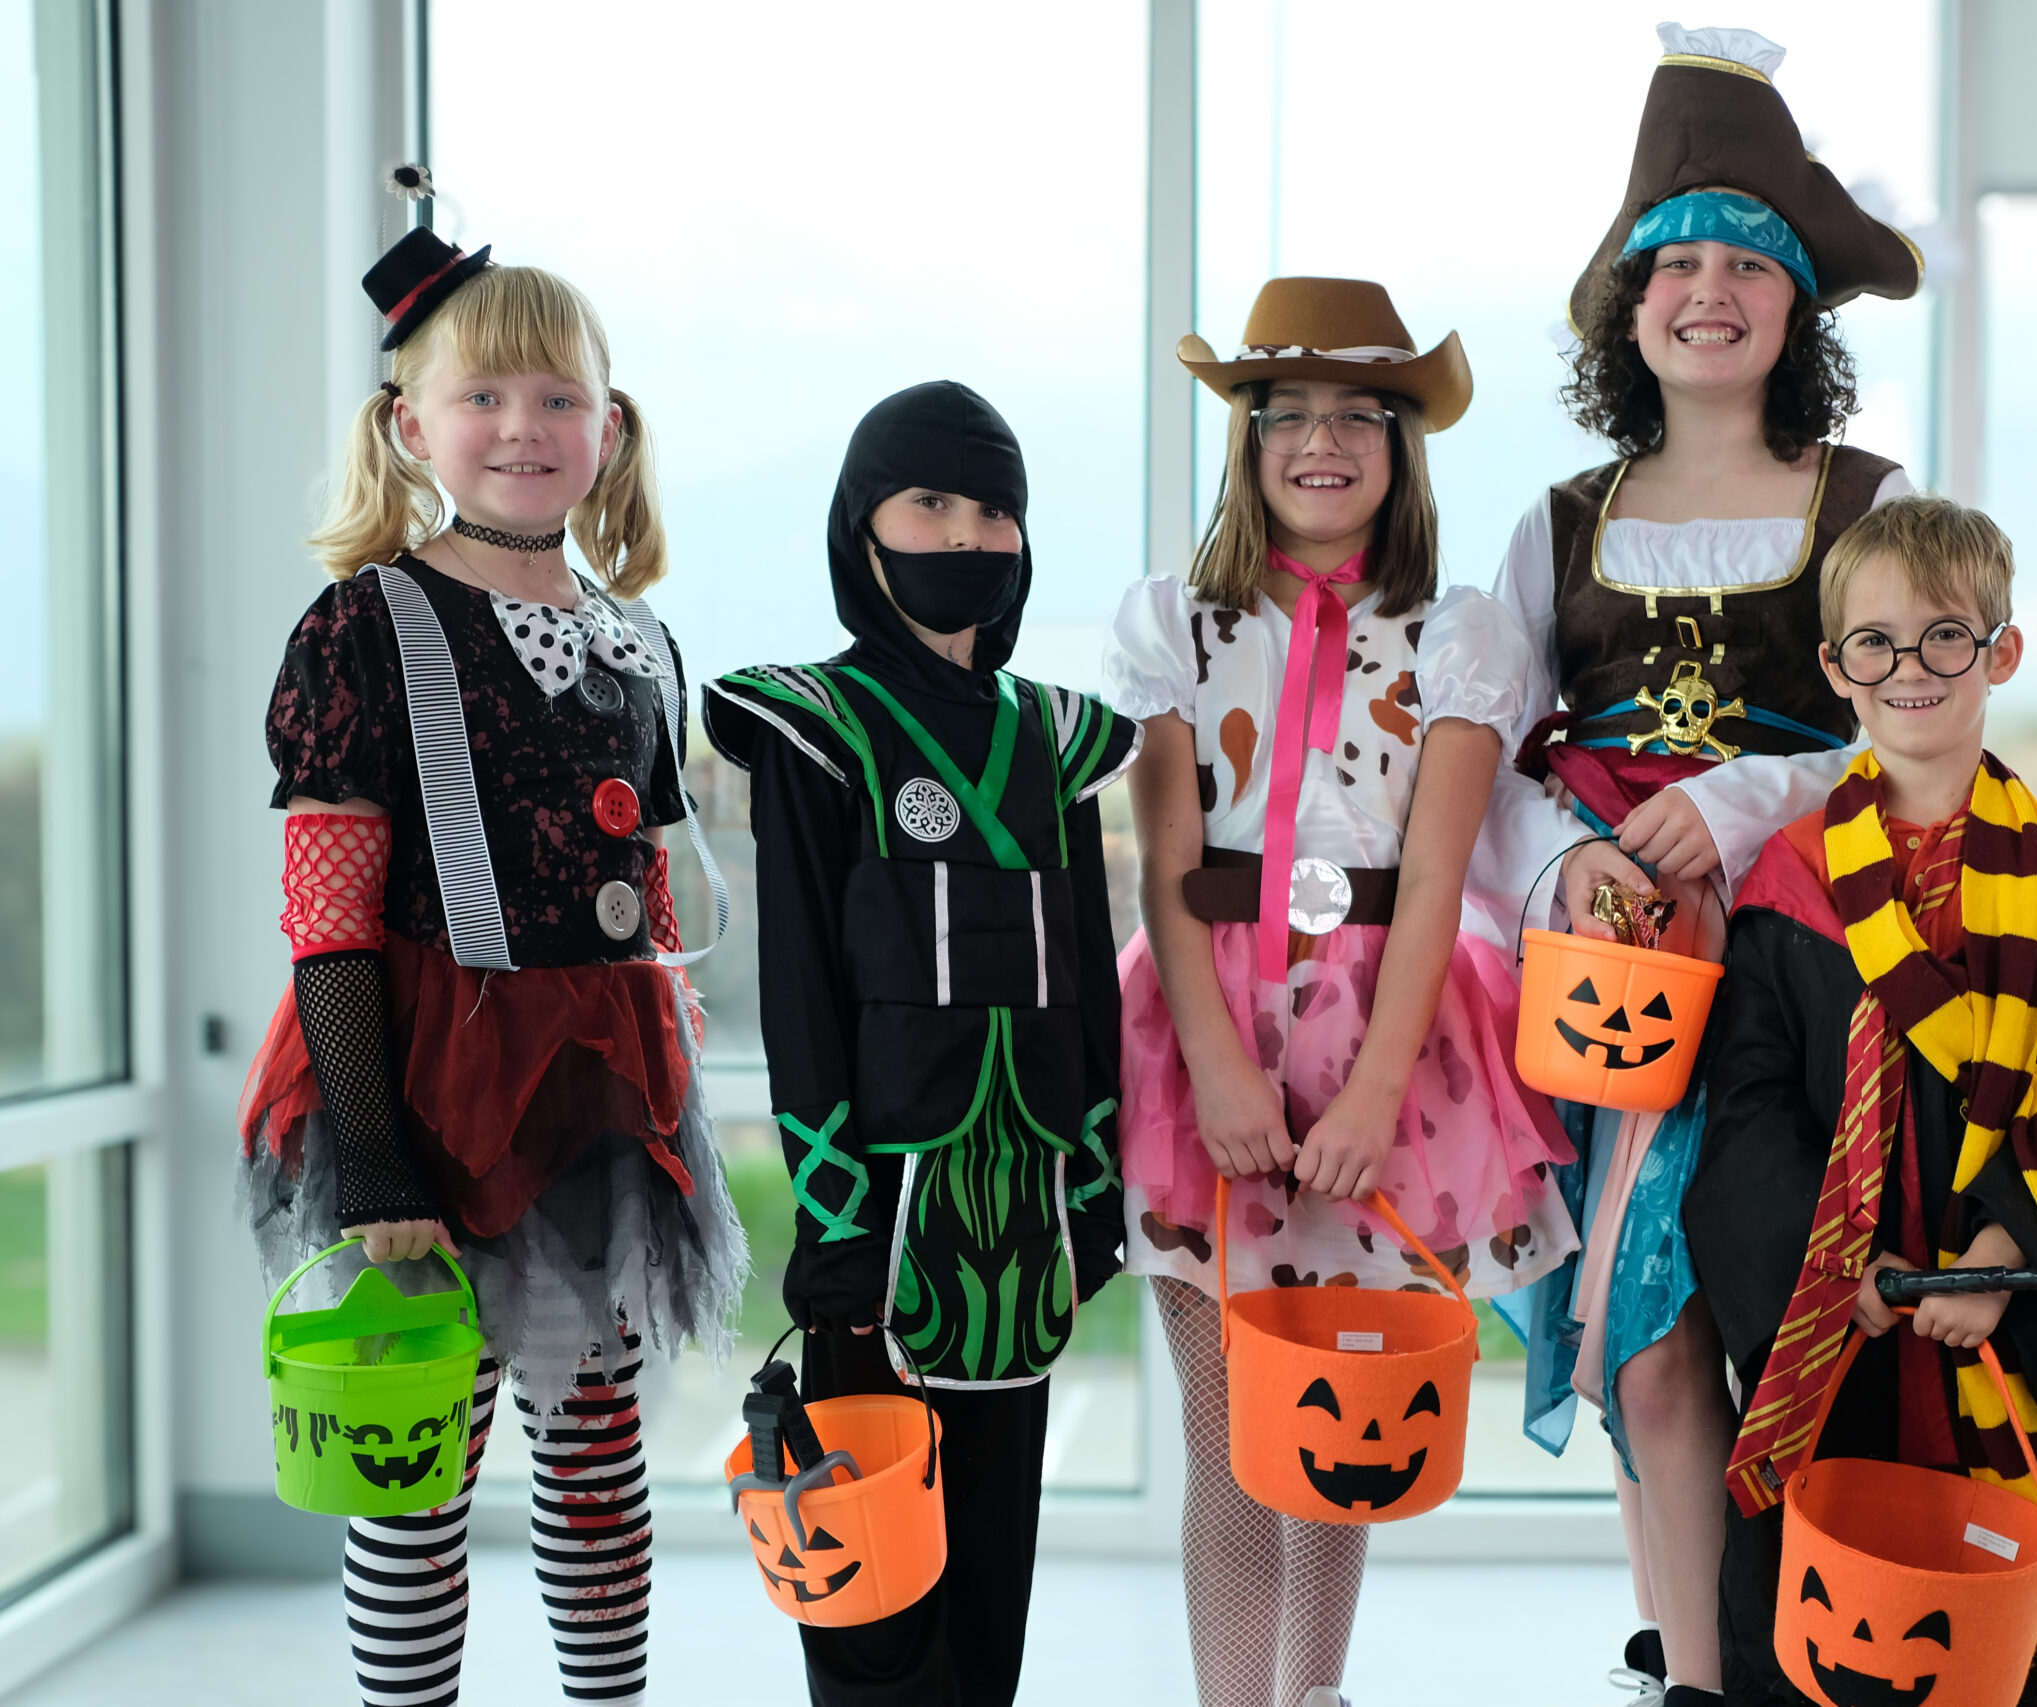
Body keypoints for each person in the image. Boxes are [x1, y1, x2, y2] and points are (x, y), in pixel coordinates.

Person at [1475, 25, 1926, 1706]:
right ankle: (1694, 1674)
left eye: (1750, 261)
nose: (1710, 292)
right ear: (1629, 303)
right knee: (1642, 1345)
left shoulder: (1872, 506)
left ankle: (1794, 1649)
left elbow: (1913, 739)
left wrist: (1742, 804)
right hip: (1611, 998)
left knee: (1786, 1326)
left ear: (1800, 307)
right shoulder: (1557, 523)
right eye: (1679, 262)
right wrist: (1569, 866)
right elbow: (1488, 761)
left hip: (1812, 992)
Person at [237, 217, 746, 1707]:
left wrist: (670, 1080)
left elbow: (646, 894)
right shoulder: (362, 626)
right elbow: (329, 912)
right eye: (484, 396)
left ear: (610, 423)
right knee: (413, 1475)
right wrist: (380, 1162)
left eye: (558, 397)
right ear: (411, 425)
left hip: (595, 1094)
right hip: (419, 1080)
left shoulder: (637, 639)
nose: (523, 427)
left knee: (597, 1477)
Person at [1108, 278, 1578, 1707]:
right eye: (1286, 415)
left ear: (1401, 441)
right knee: (1230, 1421)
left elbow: (1438, 876)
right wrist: (1218, 1069)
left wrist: (1375, 1089)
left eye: (1355, 416)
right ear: (1246, 443)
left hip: (1395, 1035)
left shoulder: (1459, 634)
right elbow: (1169, 862)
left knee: (1345, 1399)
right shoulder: (1173, 625)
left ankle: (1319, 1691)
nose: (1322, 442)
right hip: (1209, 1021)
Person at [702, 380, 1137, 1707]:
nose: (964, 532)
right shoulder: (815, 727)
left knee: (991, 1571)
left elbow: (1086, 990)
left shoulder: (1054, 739)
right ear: (862, 527)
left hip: (1019, 1230)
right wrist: (830, 1218)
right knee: (874, 1586)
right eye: (929, 502)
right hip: (878, 1232)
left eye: (992, 508)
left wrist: (1094, 1181)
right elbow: (801, 997)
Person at [1689, 495, 2037, 1706]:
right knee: (1824, 1620)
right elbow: (1748, 1111)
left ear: (1999, 652)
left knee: (2001, 1627)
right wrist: (1828, 1263)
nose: (1911, 669)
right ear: (1834, 669)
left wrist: (2008, 1251)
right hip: (1842, 1318)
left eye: (1945, 637)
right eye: (1876, 644)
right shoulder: (1791, 879)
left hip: (2005, 1327)